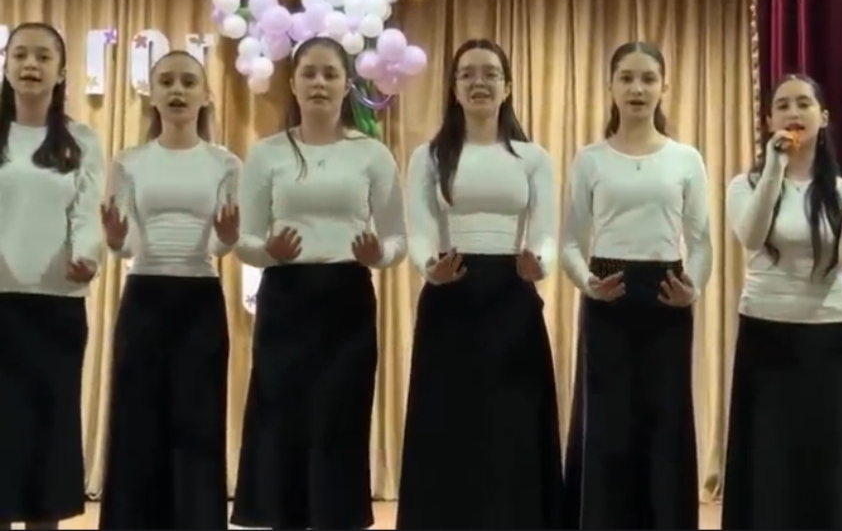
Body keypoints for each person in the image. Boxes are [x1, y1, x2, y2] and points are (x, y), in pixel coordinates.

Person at [230, 36, 408, 530]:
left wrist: (378, 255)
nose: (319, 83)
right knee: (282, 427)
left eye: (330, 73)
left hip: (347, 303)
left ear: (347, 85)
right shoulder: (267, 154)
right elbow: (244, 241)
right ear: (293, 83)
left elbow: (397, 239)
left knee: (339, 424)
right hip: (285, 301)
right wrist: (269, 252)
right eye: (309, 73)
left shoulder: (372, 155)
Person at [396, 39, 563, 529]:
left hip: (512, 299)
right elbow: (419, 229)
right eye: (467, 73)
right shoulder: (429, 156)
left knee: (512, 425)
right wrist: (429, 266)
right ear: (454, 88)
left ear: (507, 87)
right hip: (450, 298)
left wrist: (540, 264)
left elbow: (546, 233)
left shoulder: (533, 158)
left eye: (490, 73)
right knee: (450, 425)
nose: (479, 82)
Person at [561, 41, 712, 530]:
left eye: (648, 78)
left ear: (664, 87)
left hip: (668, 297)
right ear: (610, 86)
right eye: (626, 78)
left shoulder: (685, 159)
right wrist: (587, 282)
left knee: (666, 426)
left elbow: (702, 243)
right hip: (607, 296)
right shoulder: (590, 160)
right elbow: (570, 242)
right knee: (608, 429)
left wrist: (694, 288)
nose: (637, 88)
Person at [720, 74, 842, 529]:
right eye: (783, 105)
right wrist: (774, 169)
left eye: (804, 104)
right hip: (766, 334)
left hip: (828, 336)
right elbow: (750, 237)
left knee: (827, 459)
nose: (793, 112)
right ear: (769, 120)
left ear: (823, 118)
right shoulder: (745, 184)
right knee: (770, 459)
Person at [96, 50, 239, 530]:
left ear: (205, 96)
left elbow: (222, 244)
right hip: (144, 297)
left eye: (188, 81)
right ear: (152, 95)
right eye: (167, 81)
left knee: (198, 424)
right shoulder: (129, 162)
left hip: (201, 300)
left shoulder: (225, 163)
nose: (177, 90)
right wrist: (115, 239)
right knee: (137, 423)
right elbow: (125, 245)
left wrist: (229, 236)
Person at [0, 22, 105, 530]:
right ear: (6, 65)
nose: (31, 65)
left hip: (56, 307)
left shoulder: (81, 140)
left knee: (49, 437)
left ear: (61, 72)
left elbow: (87, 214)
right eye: (20, 54)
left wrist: (87, 257)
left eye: (43, 56)